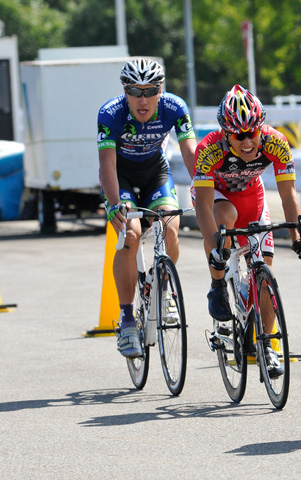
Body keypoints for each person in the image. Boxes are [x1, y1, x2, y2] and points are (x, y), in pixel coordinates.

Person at [193, 84, 301, 377]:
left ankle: (267, 345)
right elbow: (204, 208)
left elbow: (288, 194)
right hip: (218, 202)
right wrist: (215, 256)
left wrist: (297, 234)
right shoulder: (209, 149)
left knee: (265, 275)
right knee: (225, 218)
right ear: (225, 133)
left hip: (253, 199)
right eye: (239, 136)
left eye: (252, 133)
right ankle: (219, 287)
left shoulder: (275, 142)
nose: (247, 142)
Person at [98, 58, 197, 358]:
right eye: (135, 91)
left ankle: (164, 291)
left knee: (169, 227)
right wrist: (116, 205)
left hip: (155, 172)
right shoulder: (110, 113)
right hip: (121, 175)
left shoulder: (175, 107)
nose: (143, 99)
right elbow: (107, 164)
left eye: (151, 90)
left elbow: (191, 152)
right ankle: (127, 319)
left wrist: (204, 190)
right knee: (130, 234)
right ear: (125, 91)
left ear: (160, 90)